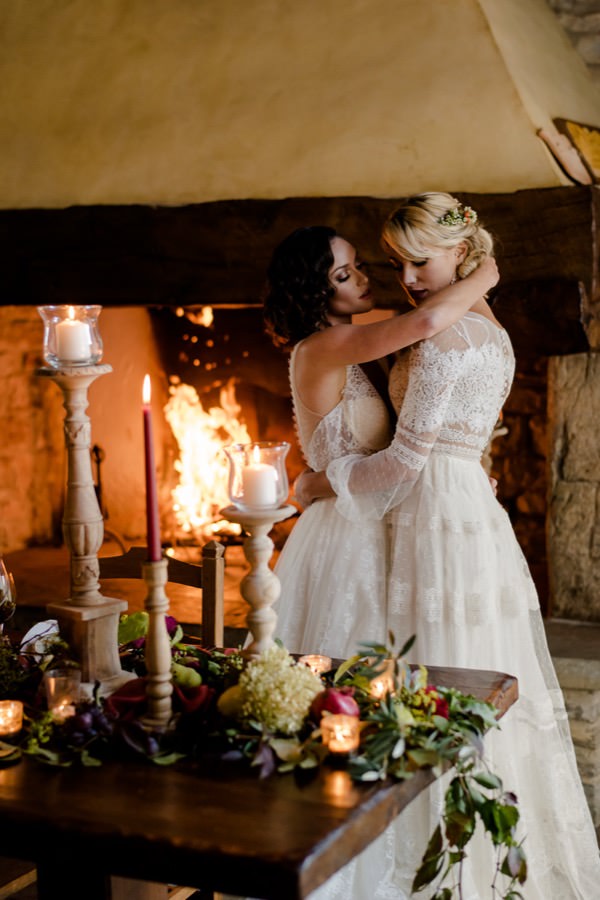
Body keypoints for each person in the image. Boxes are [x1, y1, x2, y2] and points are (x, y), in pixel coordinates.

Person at [298, 193, 600, 898]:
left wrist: (324, 482)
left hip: (434, 513)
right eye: (398, 263)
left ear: (460, 252)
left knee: (434, 678)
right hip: (473, 513)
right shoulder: (491, 330)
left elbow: (405, 461)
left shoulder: (440, 336)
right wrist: (481, 275)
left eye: (419, 261)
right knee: (471, 672)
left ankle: (437, 867)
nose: (406, 277)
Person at [263, 224, 498, 661]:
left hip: (391, 520)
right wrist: (480, 278)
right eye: (342, 275)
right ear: (313, 289)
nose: (362, 279)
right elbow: (428, 320)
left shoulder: (368, 348)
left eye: (359, 266)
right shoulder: (319, 348)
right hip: (343, 532)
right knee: (347, 670)